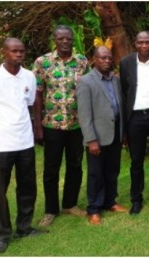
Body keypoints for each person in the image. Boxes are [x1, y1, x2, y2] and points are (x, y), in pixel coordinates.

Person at [0, 38, 47, 253]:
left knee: (27, 187)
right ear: (4, 52)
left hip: (24, 141)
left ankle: (24, 227)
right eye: (14, 51)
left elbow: (31, 104)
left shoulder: (29, 77)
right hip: (1, 143)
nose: (19, 54)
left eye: (21, 51)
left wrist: (36, 129)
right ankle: (2, 234)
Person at [33, 25, 89, 227]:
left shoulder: (82, 62)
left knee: (75, 166)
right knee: (51, 169)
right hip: (52, 125)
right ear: (54, 40)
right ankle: (50, 210)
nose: (65, 41)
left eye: (68, 38)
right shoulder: (43, 62)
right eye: (60, 38)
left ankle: (70, 203)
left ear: (72, 39)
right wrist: (37, 126)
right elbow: (37, 94)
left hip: (77, 125)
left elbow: (89, 89)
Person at [76, 46, 127, 225]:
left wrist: (123, 133)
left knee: (112, 171)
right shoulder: (86, 82)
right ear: (94, 59)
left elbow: (119, 106)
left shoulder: (115, 80)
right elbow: (84, 114)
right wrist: (91, 140)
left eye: (109, 58)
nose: (106, 61)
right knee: (96, 174)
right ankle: (94, 209)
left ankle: (110, 202)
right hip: (97, 138)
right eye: (102, 58)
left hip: (115, 135)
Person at [120, 31, 149, 215]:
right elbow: (124, 92)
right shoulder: (126, 63)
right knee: (136, 160)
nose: (145, 45)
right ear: (135, 44)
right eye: (141, 42)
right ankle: (136, 199)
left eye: (148, 42)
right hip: (135, 118)